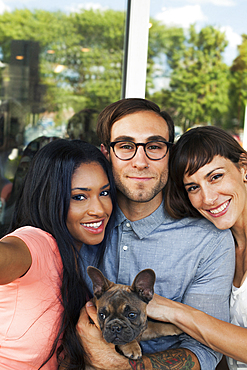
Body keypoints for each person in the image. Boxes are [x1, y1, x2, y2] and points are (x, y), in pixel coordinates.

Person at [77, 98, 235, 370]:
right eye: (126, 146)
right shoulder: (79, 226)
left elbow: (205, 351)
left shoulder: (208, 241)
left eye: (154, 147)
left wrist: (119, 366)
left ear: (169, 154)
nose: (141, 161)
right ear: (105, 153)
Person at [0, 139, 117, 370]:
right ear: (50, 197)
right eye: (79, 197)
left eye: (104, 192)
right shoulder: (35, 243)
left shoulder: (74, 255)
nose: (100, 209)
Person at [146, 125, 247, 370]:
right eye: (193, 187)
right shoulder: (221, 247)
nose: (208, 198)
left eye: (215, 177)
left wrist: (173, 311)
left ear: (243, 168)